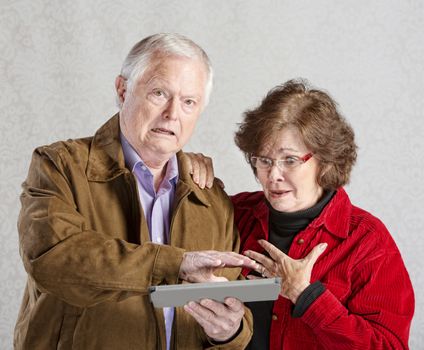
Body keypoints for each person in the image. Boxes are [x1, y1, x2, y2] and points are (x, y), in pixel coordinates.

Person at [14, 33, 261, 350]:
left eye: (189, 102)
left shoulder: (211, 198)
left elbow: (231, 303)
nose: (173, 113)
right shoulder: (60, 166)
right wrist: (174, 264)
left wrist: (228, 332)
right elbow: (52, 259)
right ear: (122, 90)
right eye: (159, 93)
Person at [187, 79, 415, 349]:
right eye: (264, 160)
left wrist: (306, 296)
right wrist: (179, 167)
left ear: (326, 160)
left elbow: (388, 346)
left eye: (290, 160)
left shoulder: (367, 241)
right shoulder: (233, 214)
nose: (273, 176)